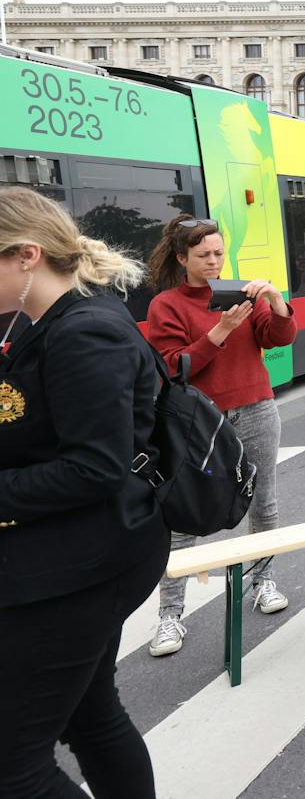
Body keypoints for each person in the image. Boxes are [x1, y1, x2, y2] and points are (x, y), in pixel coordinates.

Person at [0, 187, 169, 797]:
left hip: (85, 561)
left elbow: (92, 469)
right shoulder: (50, 322)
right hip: (78, 552)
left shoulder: (83, 332)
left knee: (14, 770)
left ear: (26, 256)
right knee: (89, 716)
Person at [143, 215, 298, 657]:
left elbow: (277, 335)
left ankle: (263, 580)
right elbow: (173, 366)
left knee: (263, 501)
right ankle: (171, 614)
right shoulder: (167, 305)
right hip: (196, 421)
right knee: (180, 513)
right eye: (202, 255)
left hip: (256, 406)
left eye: (218, 253)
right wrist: (221, 330)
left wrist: (274, 299)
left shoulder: (240, 291)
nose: (213, 262)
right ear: (181, 258)